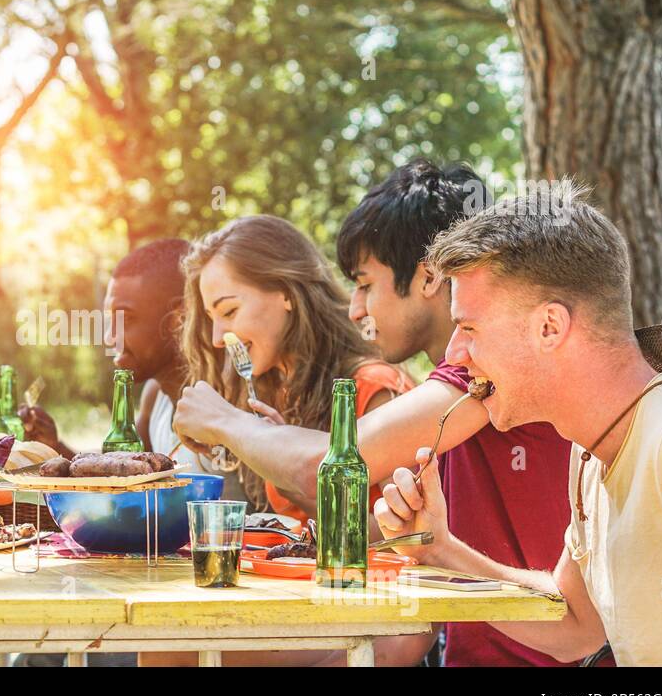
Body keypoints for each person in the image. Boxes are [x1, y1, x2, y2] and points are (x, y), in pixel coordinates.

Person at [167, 162, 582, 667]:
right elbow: (391, 538)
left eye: (366, 284)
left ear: (429, 276)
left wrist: (227, 423)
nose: (355, 309)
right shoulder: (449, 395)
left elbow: (325, 461)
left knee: (181, 648)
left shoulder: (485, 376)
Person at [376, 181, 662, 665]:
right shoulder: (590, 451)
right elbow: (576, 625)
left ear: (550, 327)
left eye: (469, 328)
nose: (454, 353)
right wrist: (439, 551)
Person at [172, 214, 411, 517]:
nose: (218, 338)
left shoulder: (370, 387)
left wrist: (230, 423)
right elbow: (322, 522)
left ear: (286, 293)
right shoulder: (278, 394)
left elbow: (409, 533)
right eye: (211, 319)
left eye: (229, 311)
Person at [18, 238, 245, 499]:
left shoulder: (232, 394)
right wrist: (54, 446)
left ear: (178, 319)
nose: (109, 337)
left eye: (123, 318)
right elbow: (120, 480)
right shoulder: (154, 397)